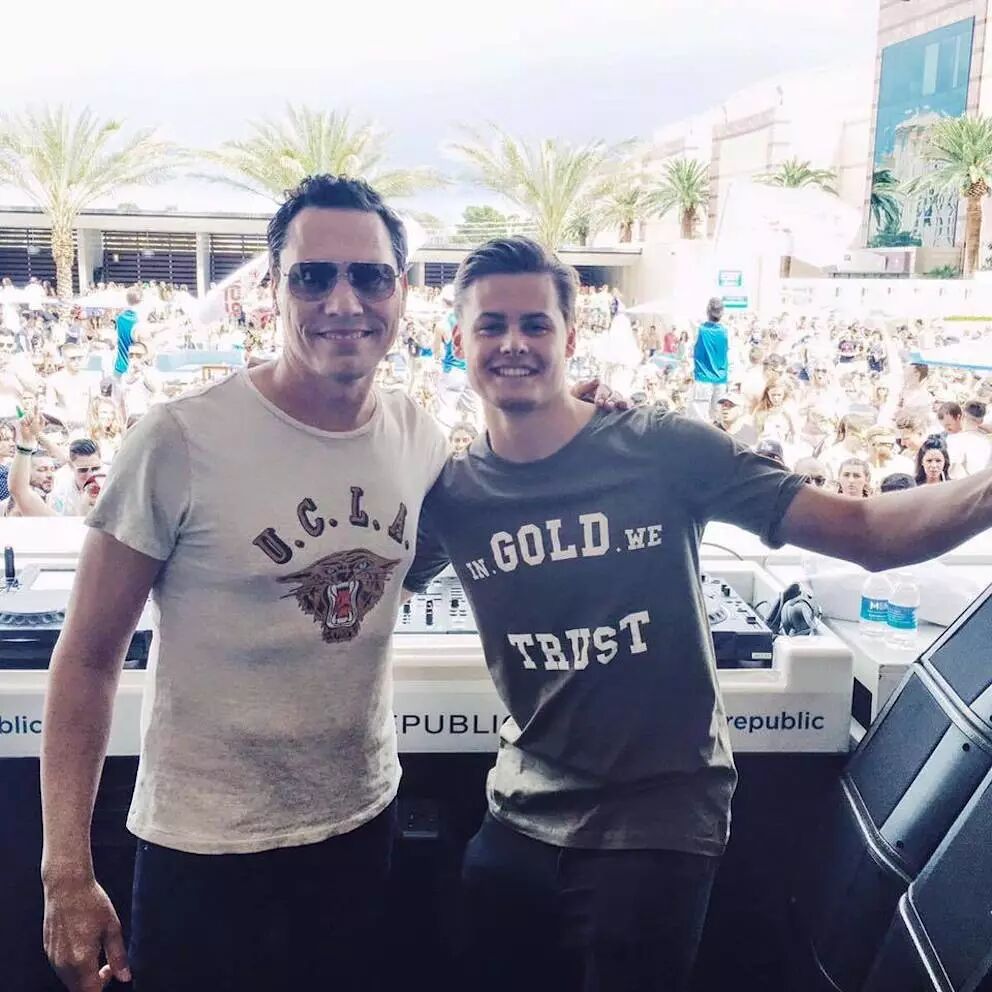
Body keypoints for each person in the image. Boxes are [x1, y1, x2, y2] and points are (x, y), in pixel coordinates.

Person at [40, 177, 614, 992]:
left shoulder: (415, 435)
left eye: (369, 276)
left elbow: (449, 538)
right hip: (203, 850)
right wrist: (66, 871)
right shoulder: (178, 441)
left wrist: (572, 422)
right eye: (313, 276)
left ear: (401, 290)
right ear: (274, 289)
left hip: (359, 830)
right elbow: (89, 657)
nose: (344, 301)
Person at [404, 236, 992, 992]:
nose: (513, 342)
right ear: (457, 342)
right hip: (514, 817)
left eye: (535, 323)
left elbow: (869, 532)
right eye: (491, 325)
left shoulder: (662, 449)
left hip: (655, 828)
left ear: (571, 339)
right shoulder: (452, 495)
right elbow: (362, 589)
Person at [691, 297, 728, 420]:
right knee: (718, 419)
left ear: (707, 311)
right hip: (721, 381)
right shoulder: (726, 331)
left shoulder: (699, 329)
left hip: (703, 380)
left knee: (700, 421)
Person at [46, 342, 94, 432]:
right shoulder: (54, 380)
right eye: (72, 358)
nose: (77, 361)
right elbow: (50, 406)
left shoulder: (90, 379)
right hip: (64, 427)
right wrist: (61, 420)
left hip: (87, 427)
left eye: (79, 358)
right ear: (64, 359)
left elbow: (95, 404)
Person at [112, 288, 142, 380]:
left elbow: (114, 341)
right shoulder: (139, 320)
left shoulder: (119, 318)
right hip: (134, 368)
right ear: (141, 301)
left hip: (119, 366)